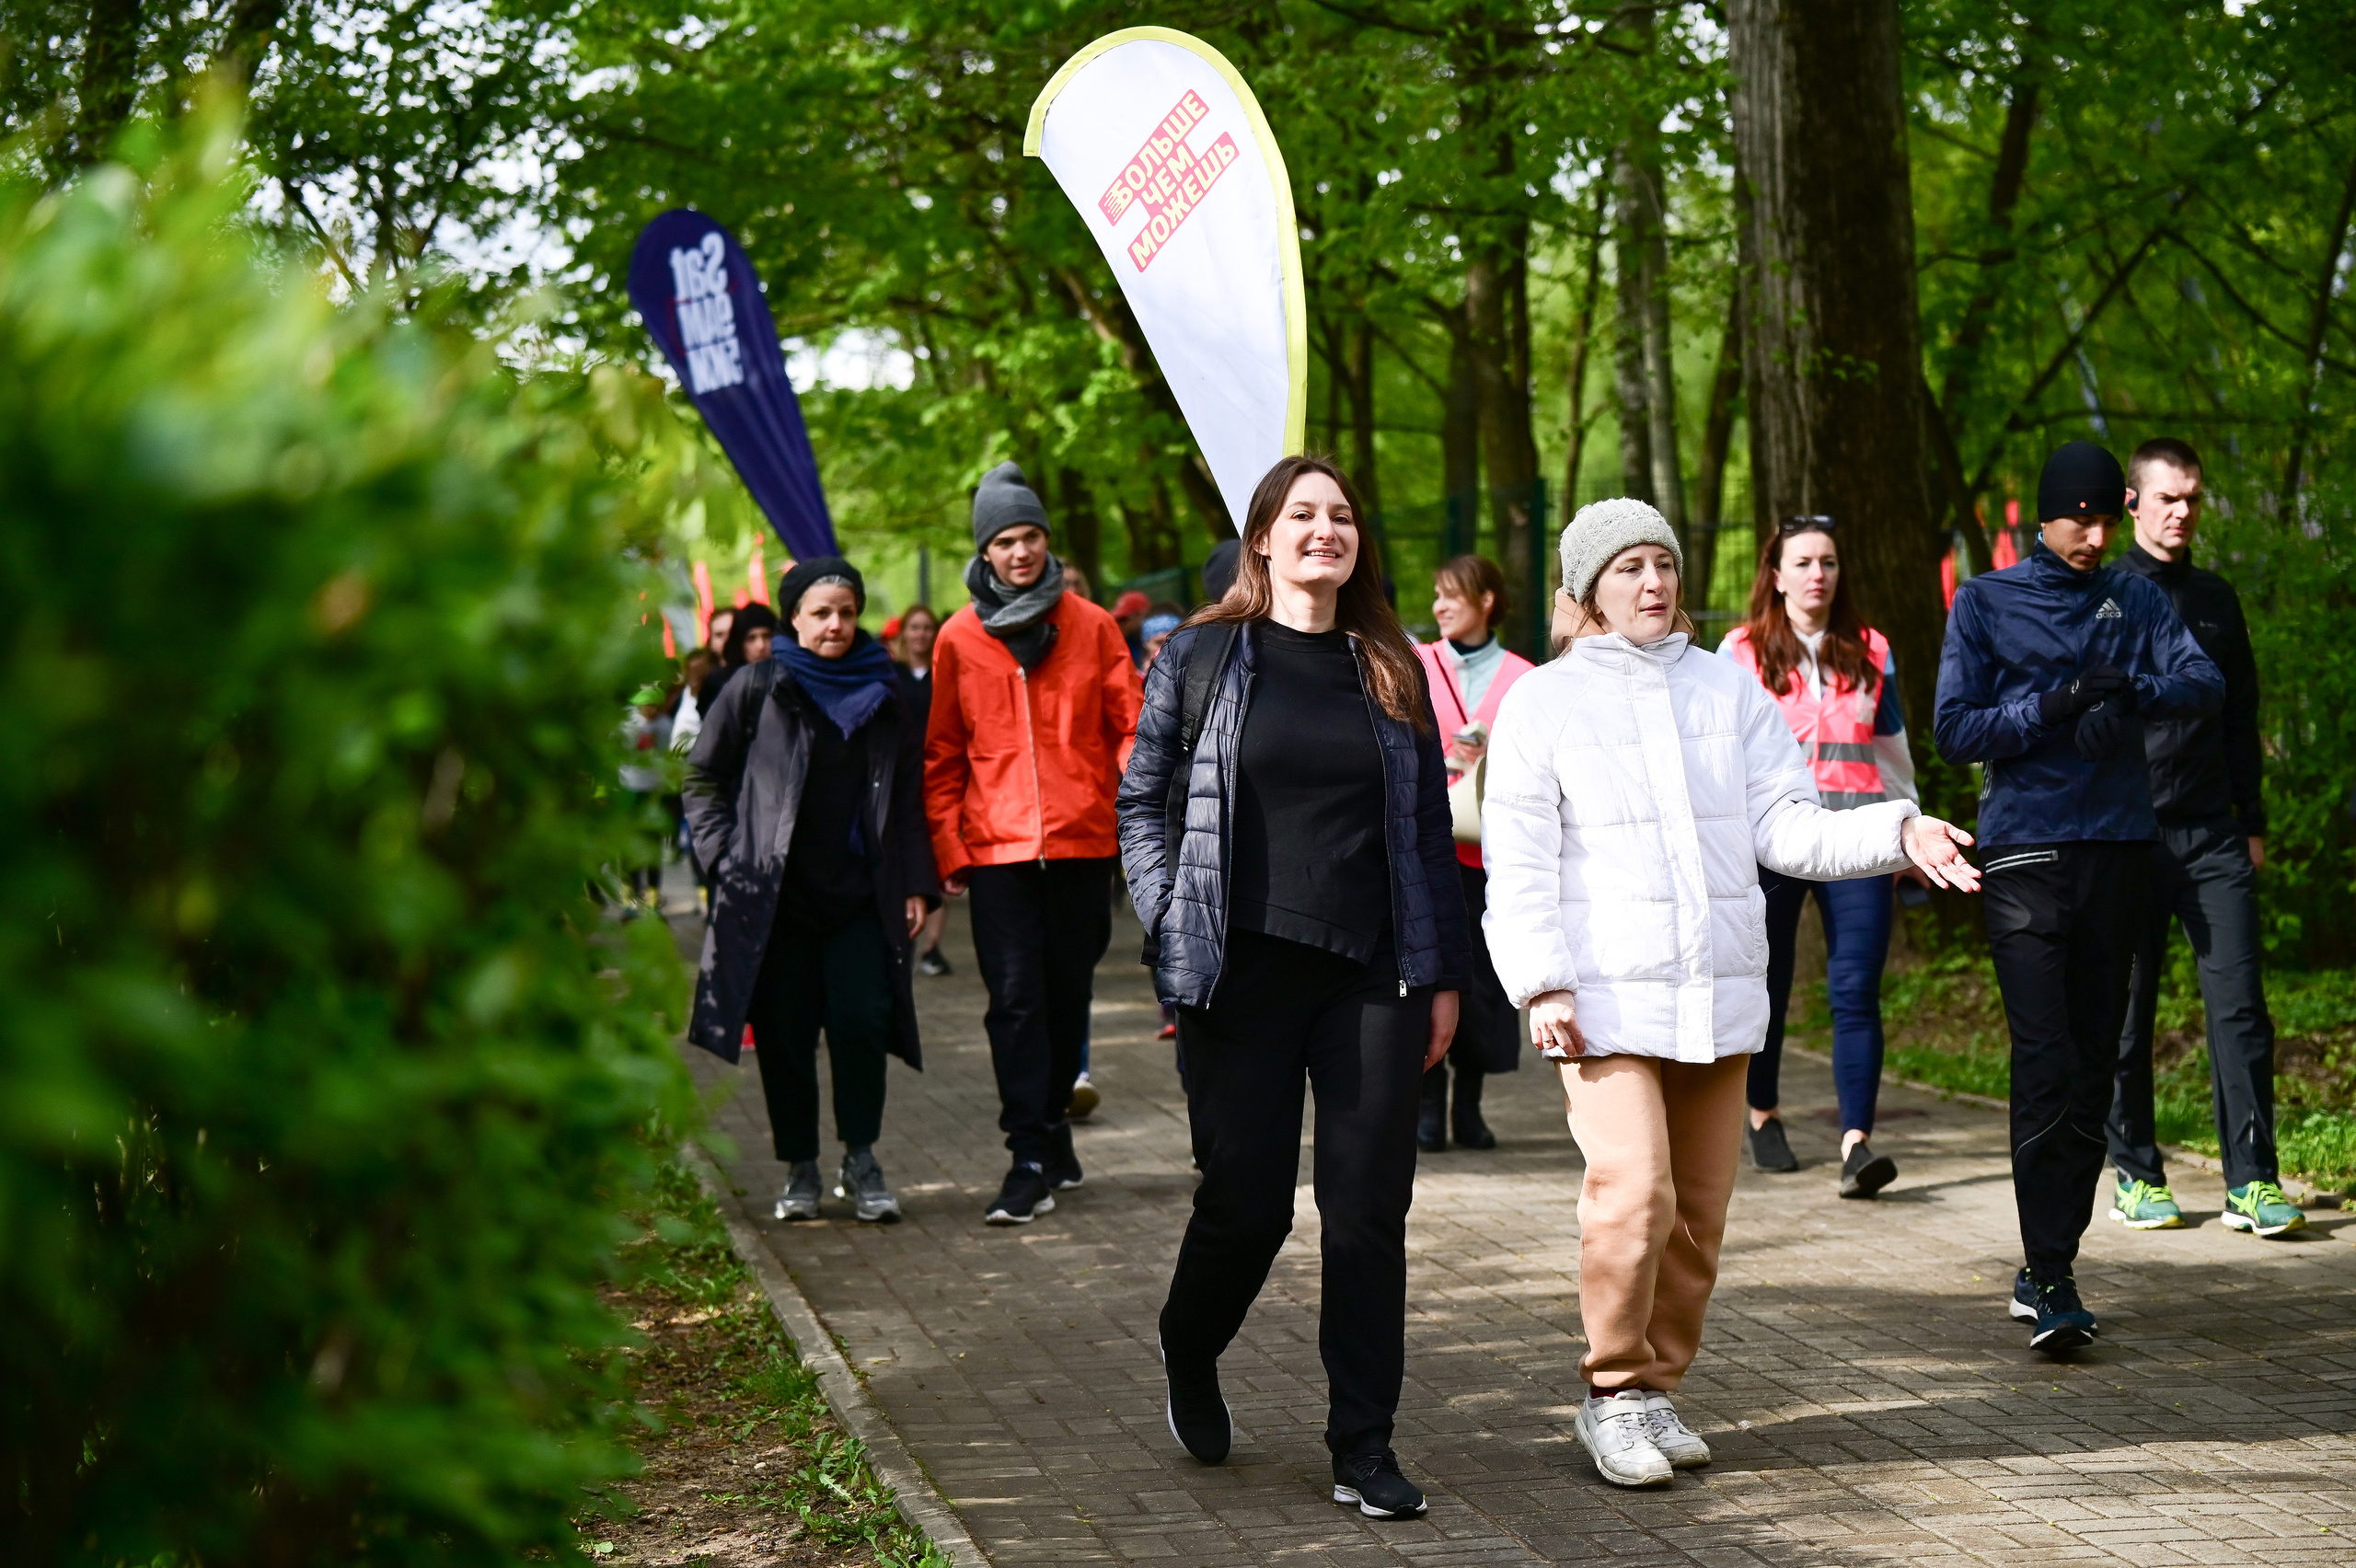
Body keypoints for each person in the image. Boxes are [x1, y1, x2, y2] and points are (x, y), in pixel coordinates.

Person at [1483, 499, 1981, 1489]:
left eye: (1662, 564)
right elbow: (1519, 859)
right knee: (1635, 1194)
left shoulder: (1726, 690)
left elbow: (1789, 828)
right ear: (1586, 590)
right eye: (1627, 568)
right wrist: (1538, 984)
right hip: (1599, 1002)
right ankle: (1610, 1393)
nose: (1653, 584)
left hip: (1715, 997)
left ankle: (1655, 1388)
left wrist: (1898, 830)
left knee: (1698, 1214)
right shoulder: (1543, 702)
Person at [1117, 455, 1470, 1520]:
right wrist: (1167, 910)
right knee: (1249, 1207)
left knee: (1367, 1212)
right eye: (1303, 514)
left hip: (1372, 975)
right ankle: (1189, 1341)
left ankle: (1362, 1446)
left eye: (1343, 516)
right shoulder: (1202, 654)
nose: (1327, 530)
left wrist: (1443, 973)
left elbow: (1422, 832)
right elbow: (1141, 800)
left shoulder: (1391, 666)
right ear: (1263, 537)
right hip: (1239, 971)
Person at [1935, 439, 2225, 1354]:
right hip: (2024, 853)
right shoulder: (1984, 602)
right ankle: (2050, 1272)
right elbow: (1952, 728)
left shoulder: (2132, 596)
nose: (2096, 534)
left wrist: (2130, 691)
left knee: (2094, 1063)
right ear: (2042, 517)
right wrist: (2051, 708)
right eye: (2082, 517)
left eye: (2107, 518)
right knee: (2045, 1058)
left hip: (2119, 851)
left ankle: (2047, 1260)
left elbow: (2203, 682)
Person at [684, 558, 941, 1225]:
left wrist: (918, 883)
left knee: (861, 1022)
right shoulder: (756, 687)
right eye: (820, 613)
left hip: (861, 898)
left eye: (846, 612)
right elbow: (701, 780)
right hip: (774, 904)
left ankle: (862, 1160)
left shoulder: (885, 692)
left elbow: (907, 798)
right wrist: (723, 862)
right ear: (793, 617)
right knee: (785, 1034)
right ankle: (800, 1168)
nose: (835, 624)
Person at [925, 462, 1140, 1225]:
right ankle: (1027, 1154)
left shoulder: (1092, 625)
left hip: (1082, 845)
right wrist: (950, 847)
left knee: (1064, 996)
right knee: (1013, 1002)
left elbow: (1129, 729)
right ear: (985, 553)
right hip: (997, 853)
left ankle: (1051, 1128)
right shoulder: (958, 637)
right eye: (1006, 542)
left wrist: (1127, 806)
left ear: (1048, 542)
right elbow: (943, 752)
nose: (1021, 552)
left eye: (1032, 537)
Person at [2107, 440, 2302, 1236]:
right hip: (2124, 833)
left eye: (2192, 497)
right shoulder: (2104, 595)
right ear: (2132, 503)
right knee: (2126, 1011)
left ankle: (2252, 1181)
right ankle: (2136, 1172)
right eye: (2167, 499)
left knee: (2241, 1007)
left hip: (2213, 835)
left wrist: (2251, 823)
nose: (2182, 511)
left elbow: (2241, 715)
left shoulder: (2218, 598)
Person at [1718, 517, 1923, 1196]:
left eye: (1829, 562)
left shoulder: (1871, 648)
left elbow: (1892, 751)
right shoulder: (1738, 653)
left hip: (1857, 837)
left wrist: (1909, 832)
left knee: (1855, 991)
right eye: (1803, 562)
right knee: (1767, 988)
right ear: (1775, 575)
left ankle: (1857, 1144)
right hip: (1769, 843)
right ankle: (1760, 1113)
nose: (1818, 575)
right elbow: (1716, 760)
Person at [1412, 554, 1535, 1151]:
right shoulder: (1415, 663)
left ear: (1487, 600)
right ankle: (1427, 1104)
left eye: (1451, 595)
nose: (1439, 607)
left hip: (1495, 858)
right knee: (1427, 971)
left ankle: (1471, 1105)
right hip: (1425, 851)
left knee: (1485, 982)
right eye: (1436, 595)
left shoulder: (1524, 677)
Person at [891, 604, 953, 978]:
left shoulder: (942, 673)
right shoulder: (890, 676)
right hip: (904, 776)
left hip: (938, 776)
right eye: (913, 627)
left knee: (938, 856)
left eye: (927, 627)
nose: (920, 634)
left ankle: (933, 944)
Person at [699, 602, 777, 714]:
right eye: (751, 638)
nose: (760, 646)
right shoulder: (718, 684)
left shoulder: (789, 677)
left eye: (767, 636)